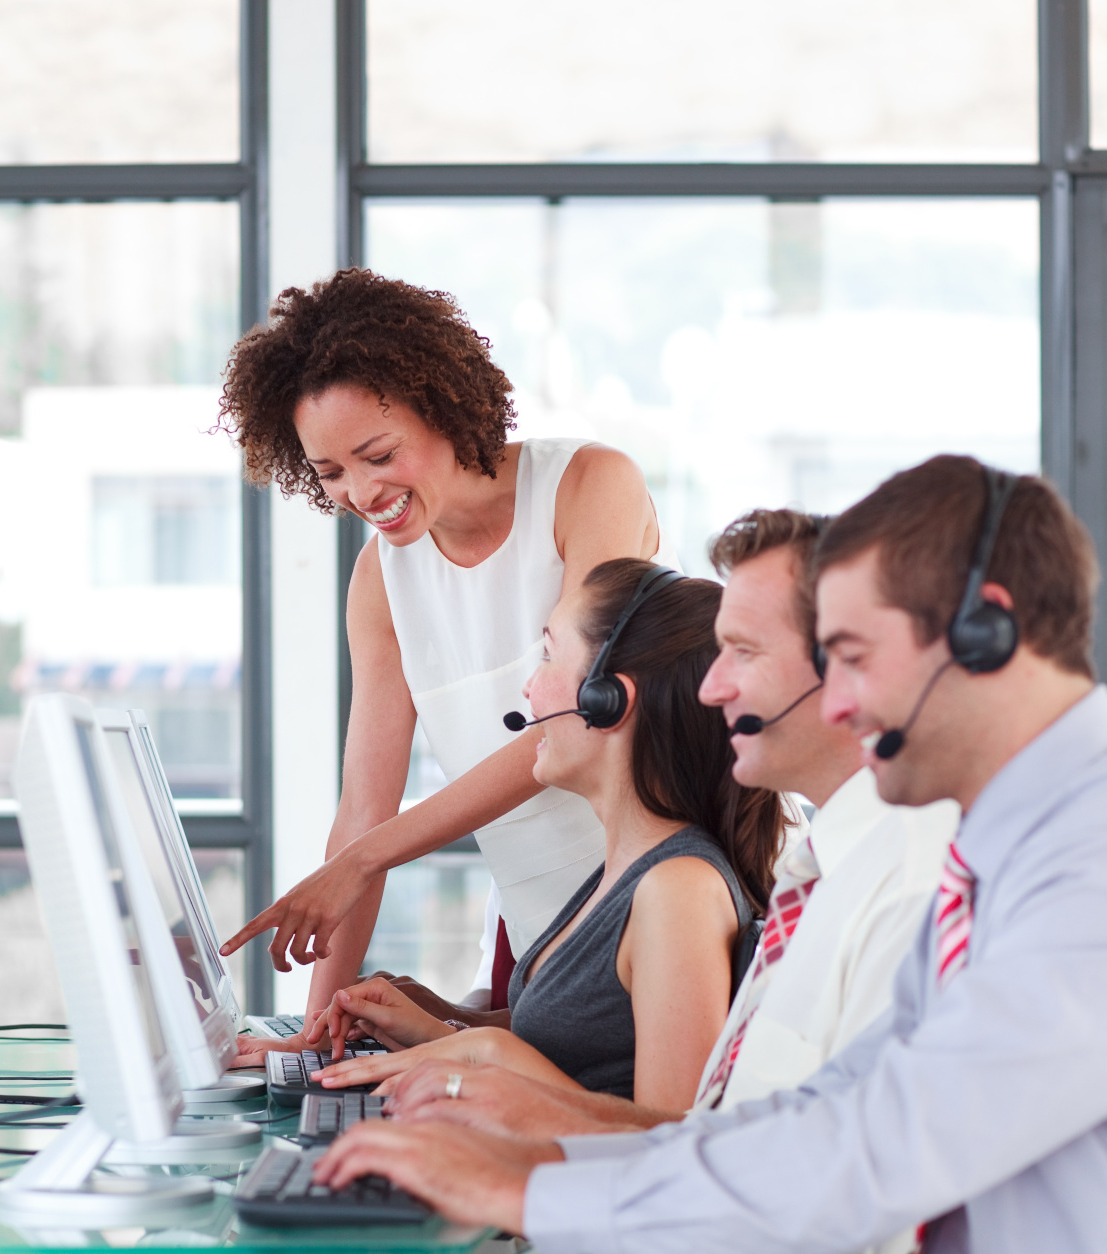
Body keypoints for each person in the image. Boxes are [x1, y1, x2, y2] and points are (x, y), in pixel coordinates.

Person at [312, 455, 1107, 1254]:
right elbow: (802, 1121)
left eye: (854, 659)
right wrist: (539, 1149)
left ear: (985, 633)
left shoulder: (1074, 862)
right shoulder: (972, 852)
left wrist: (528, 1185)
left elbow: (884, 1144)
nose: (834, 702)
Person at [370, 509, 957, 1166]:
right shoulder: (819, 874)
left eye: (745, 651)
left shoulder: (900, 886)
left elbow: (707, 1145)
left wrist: (489, 1062)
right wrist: (454, 1035)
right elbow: (722, 1133)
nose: (714, 685)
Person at [215, 271, 678, 1054]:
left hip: (667, 908)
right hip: (545, 938)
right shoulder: (380, 580)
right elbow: (364, 808)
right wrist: (310, 1033)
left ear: (441, 402)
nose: (362, 491)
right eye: (330, 475)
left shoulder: (588, 488)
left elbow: (572, 725)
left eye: (378, 454)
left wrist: (363, 860)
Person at [307, 560, 786, 1112]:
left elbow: (672, 1137)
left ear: (608, 699)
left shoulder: (679, 890)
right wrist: (439, 1029)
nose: (529, 688)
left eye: (550, 656)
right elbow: (581, 1061)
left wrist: (485, 1050)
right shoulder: (628, 869)